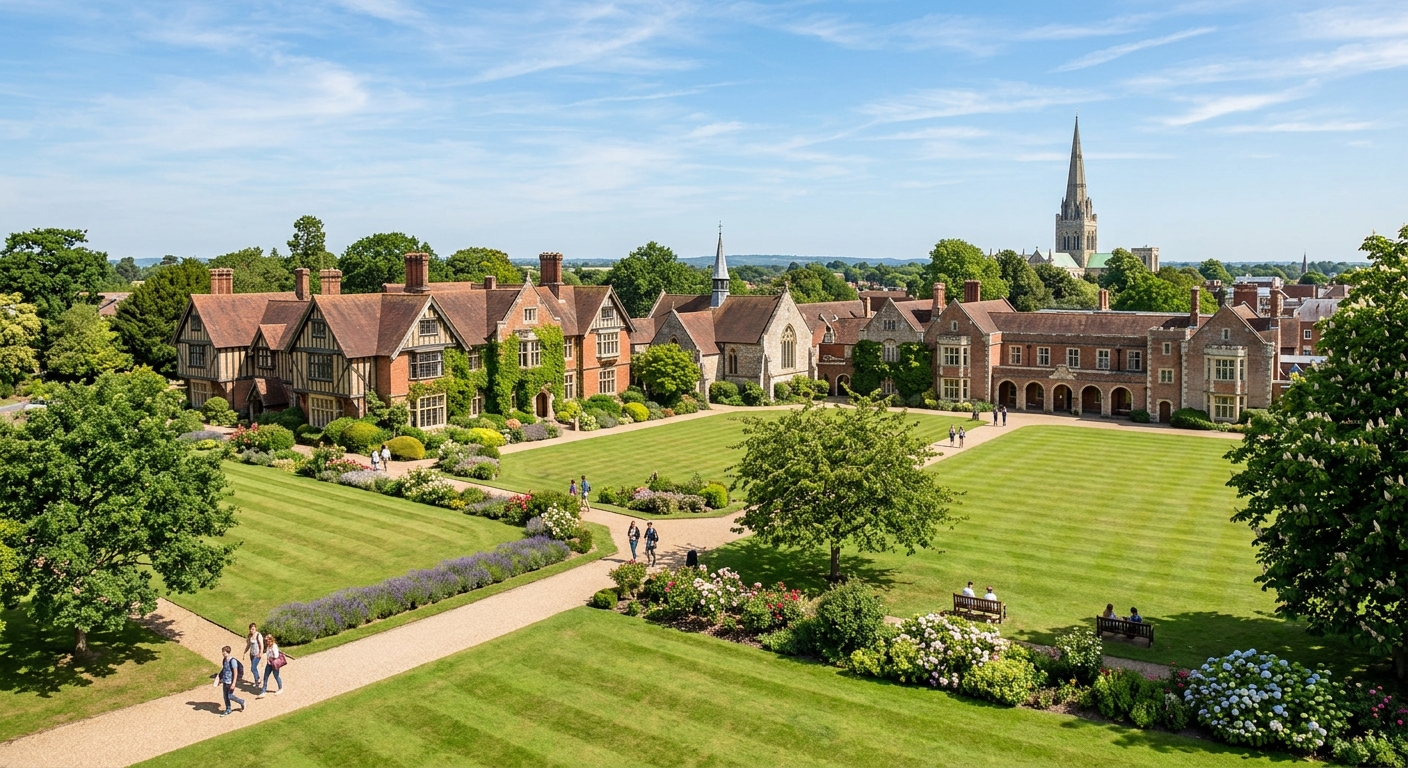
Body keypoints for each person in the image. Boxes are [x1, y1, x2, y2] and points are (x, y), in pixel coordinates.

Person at [214, 646, 245, 717]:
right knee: (225, 696)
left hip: (230, 681)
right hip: (225, 681)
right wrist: (219, 678)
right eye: (222, 651)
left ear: (228, 652)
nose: (223, 653)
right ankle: (228, 709)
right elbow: (224, 670)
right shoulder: (224, 660)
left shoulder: (232, 661)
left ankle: (241, 701)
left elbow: (235, 672)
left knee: (230, 696)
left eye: (224, 651)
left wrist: (233, 683)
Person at [258, 634, 285, 698]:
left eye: (267, 641)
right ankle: (263, 691)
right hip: (269, 664)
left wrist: (270, 657)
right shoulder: (268, 647)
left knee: (276, 676)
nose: (266, 642)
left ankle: (280, 688)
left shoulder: (274, 646)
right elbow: (267, 654)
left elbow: (276, 656)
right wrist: (268, 659)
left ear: (270, 640)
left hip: (274, 663)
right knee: (265, 676)